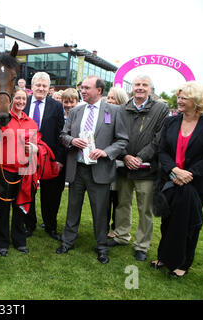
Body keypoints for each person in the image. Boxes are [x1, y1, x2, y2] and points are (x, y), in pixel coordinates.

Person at [56, 75, 128, 264]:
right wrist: (72, 140)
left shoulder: (114, 111)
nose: (83, 91)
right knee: (73, 208)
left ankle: (102, 247)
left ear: (99, 91)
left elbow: (122, 140)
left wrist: (106, 152)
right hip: (77, 169)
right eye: (82, 88)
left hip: (100, 170)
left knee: (100, 211)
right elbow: (63, 134)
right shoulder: (75, 111)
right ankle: (67, 242)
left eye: (87, 88)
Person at [108, 76, 169, 262]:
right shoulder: (122, 109)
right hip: (124, 167)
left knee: (145, 209)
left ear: (150, 89)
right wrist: (125, 156)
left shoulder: (161, 109)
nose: (140, 88)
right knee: (122, 204)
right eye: (137, 85)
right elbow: (116, 134)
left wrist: (140, 157)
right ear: (131, 88)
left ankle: (142, 245)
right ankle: (121, 235)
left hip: (147, 170)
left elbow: (159, 138)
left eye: (144, 85)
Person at [151, 81, 203, 278]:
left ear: (197, 101)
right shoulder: (171, 121)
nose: (179, 101)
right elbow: (162, 150)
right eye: (179, 97)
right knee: (167, 220)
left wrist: (188, 174)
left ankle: (183, 263)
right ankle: (164, 257)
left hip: (195, 183)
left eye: (184, 98)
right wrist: (174, 170)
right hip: (170, 179)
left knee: (188, 222)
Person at [0, 87, 40, 257]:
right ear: (11, 100)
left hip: (25, 170)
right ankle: (1, 241)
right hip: (6, 170)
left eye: (23, 99)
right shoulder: (3, 118)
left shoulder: (31, 122)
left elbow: (38, 143)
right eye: (18, 98)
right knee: (3, 207)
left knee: (20, 206)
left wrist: (35, 148)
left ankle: (19, 240)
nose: (20, 102)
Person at [23, 72, 65, 240]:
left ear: (49, 88)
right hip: (25, 157)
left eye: (44, 86)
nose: (41, 88)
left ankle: (50, 226)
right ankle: (29, 224)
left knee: (51, 194)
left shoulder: (56, 106)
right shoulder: (22, 103)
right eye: (38, 85)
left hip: (49, 157)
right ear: (31, 87)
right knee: (28, 192)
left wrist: (59, 159)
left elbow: (61, 134)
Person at [105, 86, 129, 238]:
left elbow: (124, 140)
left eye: (113, 98)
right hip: (107, 163)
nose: (110, 100)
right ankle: (105, 227)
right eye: (108, 97)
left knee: (119, 200)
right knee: (106, 198)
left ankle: (117, 228)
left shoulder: (126, 116)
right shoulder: (106, 114)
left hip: (121, 163)